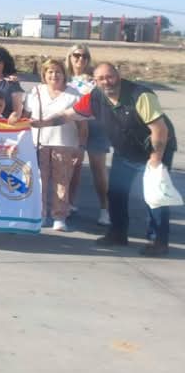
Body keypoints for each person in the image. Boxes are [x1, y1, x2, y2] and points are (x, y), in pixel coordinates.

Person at [37, 63, 176, 256]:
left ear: (118, 75)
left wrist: (156, 159)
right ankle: (118, 234)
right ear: (95, 81)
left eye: (110, 76)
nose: (106, 82)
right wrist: (43, 123)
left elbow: (159, 129)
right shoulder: (95, 97)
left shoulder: (140, 95)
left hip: (154, 149)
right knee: (116, 193)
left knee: (155, 195)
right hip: (125, 150)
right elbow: (68, 115)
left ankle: (158, 241)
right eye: (101, 78)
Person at [24, 58, 85, 232]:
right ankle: (41, 214)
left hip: (64, 143)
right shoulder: (35, 92)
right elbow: (25, 115)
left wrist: (81, 147)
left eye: (58, 71)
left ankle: (59, 216)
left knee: (62, 182)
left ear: (64, 74)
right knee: (39, 181)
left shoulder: (74, 95)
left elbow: (82, 125)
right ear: (44, 75)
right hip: (38, 143)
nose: (54, 75)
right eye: (50, 71)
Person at [65, 44, 111, 226]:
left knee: (98, 168)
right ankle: (69, 204)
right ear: (69, 57)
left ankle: (105, 209)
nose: (80, 59)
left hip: (96, 126)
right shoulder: (64, 77)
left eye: (84, 56)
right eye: (76, 55)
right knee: (73, 166)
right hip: (73, 126)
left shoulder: (95, 78)